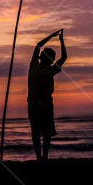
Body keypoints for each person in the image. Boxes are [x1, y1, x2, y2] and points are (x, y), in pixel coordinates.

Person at [27, 29, 67, 161]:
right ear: (41, 56)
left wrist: (61, 41)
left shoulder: (52, 69)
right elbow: (38, 45)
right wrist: (51, 36)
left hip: (46, 104)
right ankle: (39, 157)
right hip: (33, 103)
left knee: (47, 132)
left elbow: (64, 57)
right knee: (35, 132)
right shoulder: (33, 65)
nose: (46, 57)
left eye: (50, 56)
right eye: (45, 55)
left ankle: (44, 156)